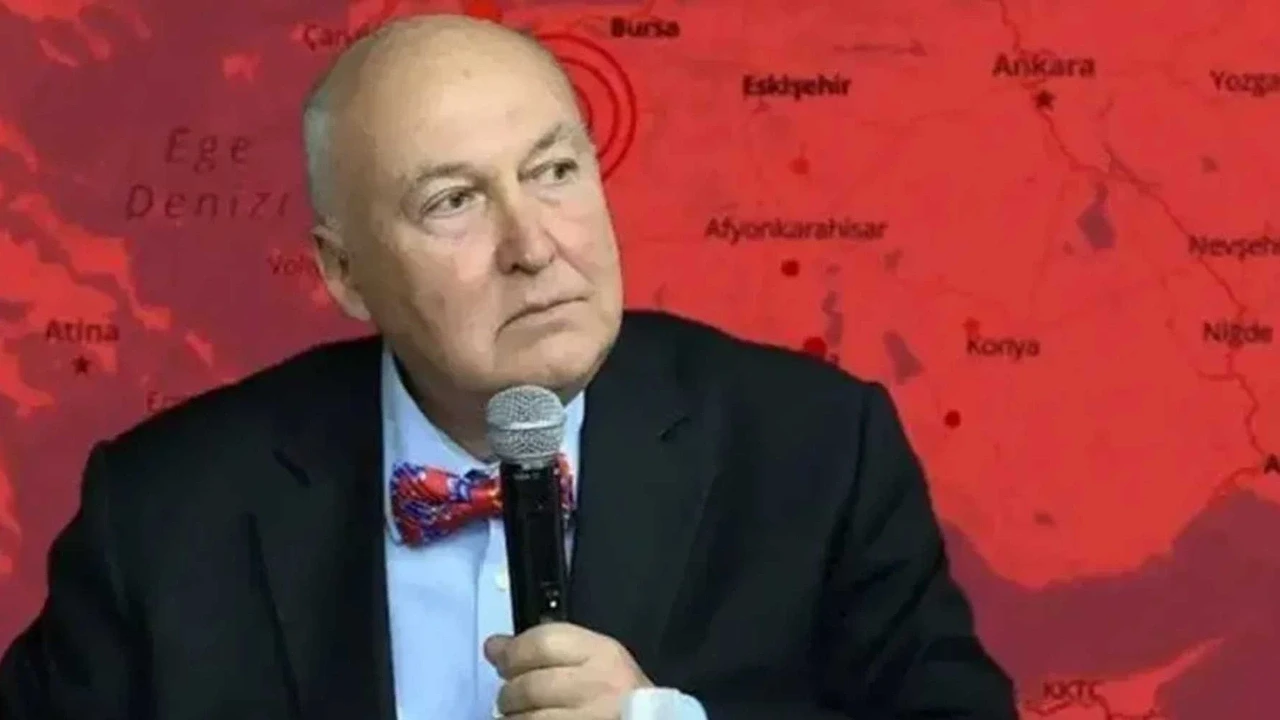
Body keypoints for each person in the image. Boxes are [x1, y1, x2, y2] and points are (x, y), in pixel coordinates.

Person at [0, 14, 1018, 720]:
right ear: (344, 273)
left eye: (554, 171)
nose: (534, 245)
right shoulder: (166, 508)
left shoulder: (814, 450)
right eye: (453, 201)